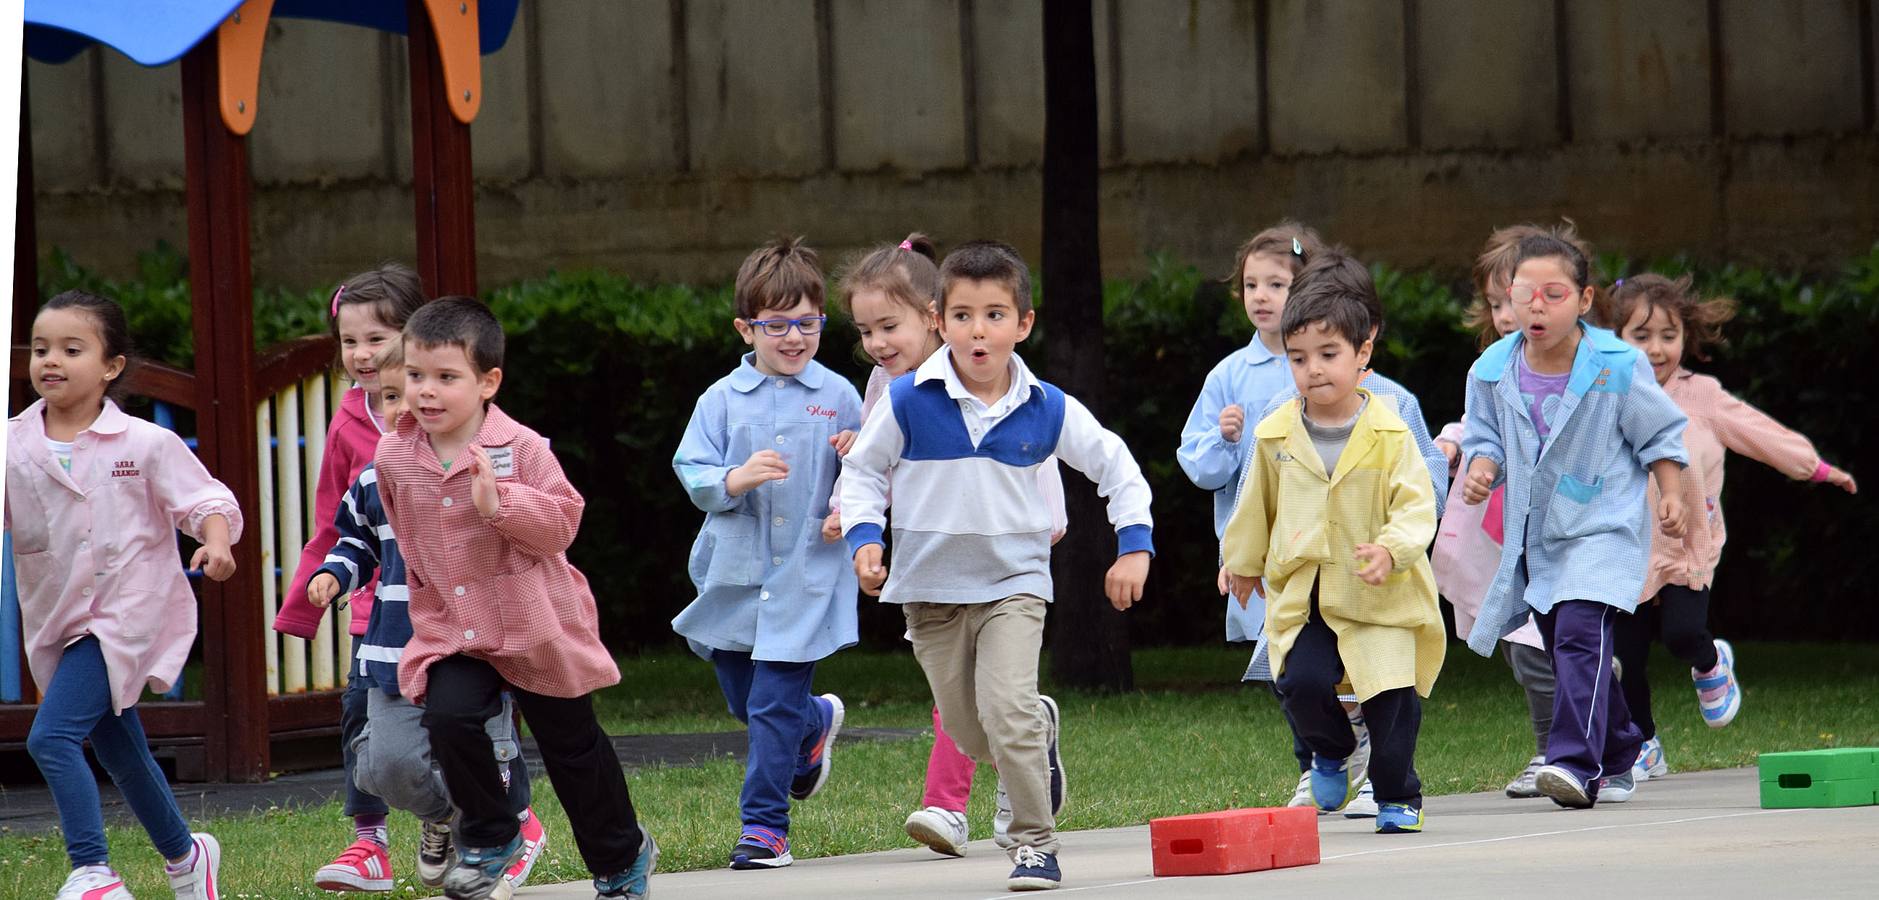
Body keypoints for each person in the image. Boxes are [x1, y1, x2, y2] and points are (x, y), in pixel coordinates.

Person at [842, 240, 1154, 891]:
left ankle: (1034, 843)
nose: (976, 331)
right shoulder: (906, 401)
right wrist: (864, 538)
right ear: (938, 320)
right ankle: (1035, 742)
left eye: (993, 315)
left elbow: (1114, 464)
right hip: (927, 592)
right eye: (961, 316)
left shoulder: (1047, 407)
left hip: (1014, 585)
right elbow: (863, 472)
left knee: (1006, 710)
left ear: (1023, 323)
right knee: (968, 728)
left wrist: (1133, 545)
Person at [375, 297, 654, 899]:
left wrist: (499, 504)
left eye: (446, 378)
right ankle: (492, 833)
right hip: (455, 628)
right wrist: (428, 602)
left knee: (571, 747)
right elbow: (409, 535)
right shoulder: (395, 453)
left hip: (534, 620)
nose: (426, 392)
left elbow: (562, 525)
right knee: (449, 718)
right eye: (416, 376)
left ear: (487, 383)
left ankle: (620, 858)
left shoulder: (522, 448)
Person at [822, 234, 1069, 858]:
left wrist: (1047, 518)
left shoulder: (989, 370)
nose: (878, 344)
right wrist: (855, 526)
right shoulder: (889, 386)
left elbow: (1033, 448)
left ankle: (956, 806)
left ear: (931, 318)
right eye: (866, 331)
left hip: (1005, 551)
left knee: (998, 698)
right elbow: (871, 468)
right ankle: (1028, 747)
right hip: (930, 557)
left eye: (890, 327)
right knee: (958, 702)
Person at [12, 291, 237, 900]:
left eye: (71, 348)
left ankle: (93, 871)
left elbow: (207, 501)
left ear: (111, 366)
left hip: (129, 614)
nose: (50, 360)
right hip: (58, 617)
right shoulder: (12, 446)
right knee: (121, 747)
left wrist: (215, 544)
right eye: (40, 349)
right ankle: (187, 857)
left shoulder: (144, 444)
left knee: (50, 737)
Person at [1459, 235, 1689, 809]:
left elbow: (1658, 434)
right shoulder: (1491, 369)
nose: (1535, 306)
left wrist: (1671, 493)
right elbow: (1485, 435)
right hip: (1537, 536)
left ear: (1584, 299)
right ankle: (1622, 749)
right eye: (1523, 294)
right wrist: (1483, 469)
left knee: (1581, 634)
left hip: (1603, 527)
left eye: (1552, 294)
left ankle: (1570, 763)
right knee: (1568, 647)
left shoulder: (1616, 365)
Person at [305, 351, 544, 892]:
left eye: (404, 392)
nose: (400, 406)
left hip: (470, 646)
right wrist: (334, 574)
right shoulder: (373, 477)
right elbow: (355, 540)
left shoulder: (480, 461)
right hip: (394, 650)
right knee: (385, 768)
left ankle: (493, 839)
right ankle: (453, 818)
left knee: (480, 752)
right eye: (387, 397)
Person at [1609, 273, 1857, 791]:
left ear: (1685, 338)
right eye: (1642, 335)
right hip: (1622, 547)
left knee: (1680, 634)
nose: (1657, 349)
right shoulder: (1604, 391)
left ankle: (1710, 659)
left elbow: (1758, 432)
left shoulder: (1700, 395)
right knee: (1624, 656)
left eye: (1669, 336)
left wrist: (1813, 467)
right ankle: (1642, 744)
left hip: (1686, 543)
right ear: (1614, 338)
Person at [1223, 257, 1445, 835]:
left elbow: (1417, 504)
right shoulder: (1276, 429)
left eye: (1328, 355)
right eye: (1298, 359)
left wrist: (1392, 548)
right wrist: (1241, 563)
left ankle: (1399, 795)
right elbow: (1256, 503)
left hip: (1382, 594)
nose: (1313, 370)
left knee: (1389, 698)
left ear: (1362, 356)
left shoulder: (1391, 430)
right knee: (1297, 680)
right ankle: (1330, 750)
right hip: (1310, 592)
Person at [266, 265, 459, 891]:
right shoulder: (349, 422)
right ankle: (368, 843)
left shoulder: (455, 410)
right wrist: (314, 591)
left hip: (454, 608)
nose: (364, 355)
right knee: (359, 715)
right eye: (350, 342)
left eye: (379, 338)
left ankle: (492, 813)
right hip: (376, 606)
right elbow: (335, 520)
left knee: (466, 715)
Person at [671, 237, 862, 870]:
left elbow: (868, 472)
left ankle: (764, 827)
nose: (792, 337)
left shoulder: (838, 394)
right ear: (745, 328)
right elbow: (691, 468)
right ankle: (813, 724)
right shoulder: (720, 400)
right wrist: (732, 479)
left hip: (806, 573)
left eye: (806, 323)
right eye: (776, 325)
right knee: (745, 699)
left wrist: (848, 497)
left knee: (770, 703)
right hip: (735, 576)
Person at [1431, 224, 1586, 799]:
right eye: (1497, 303)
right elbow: (1482, 425)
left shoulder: (1579, 364)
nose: (1505, 314)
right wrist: (1455, 446)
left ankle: (1566, 746)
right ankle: (1573, 736)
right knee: (1527, 647)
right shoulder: (1495, 367)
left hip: (1560, 531)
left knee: (1540, 644)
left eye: (1516, 299)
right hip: (1506, 537)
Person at [1177, 221, 1326, 644]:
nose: (1260, 295)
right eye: (1251, 284)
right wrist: (1224, 439)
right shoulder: (1229, 375)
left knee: (1327, 636)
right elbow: (1197, 464)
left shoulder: (1329, 366)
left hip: (1321, 529)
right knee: (1278, 649)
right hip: (1258, 541)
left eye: (1276, 284)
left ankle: (1345, 707)